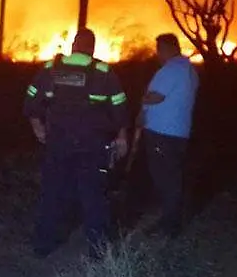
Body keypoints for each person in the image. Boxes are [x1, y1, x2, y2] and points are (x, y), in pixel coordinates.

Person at [24, 28, 129, 258]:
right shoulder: (104, 72)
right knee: (94, 196)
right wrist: (121, 137)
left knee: (52, 193)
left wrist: (37, 127)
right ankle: (98, 252)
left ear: (73, 46)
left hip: (57, 143)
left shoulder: (51, 69)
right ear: (92, 49)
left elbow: (31, 100)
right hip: (92, 145)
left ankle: (43, 246)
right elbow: (120, 110)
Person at [136, 33, 200, 237]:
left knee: (165, 179)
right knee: (172, 177)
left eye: (159, 50)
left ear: (167, 48)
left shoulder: (171, 69)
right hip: (179, 133)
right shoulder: (190, 70)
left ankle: (169, 225)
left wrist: (142, 99)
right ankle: (170, 220)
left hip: (162, 133)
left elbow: (155, 97)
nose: (157, 55)